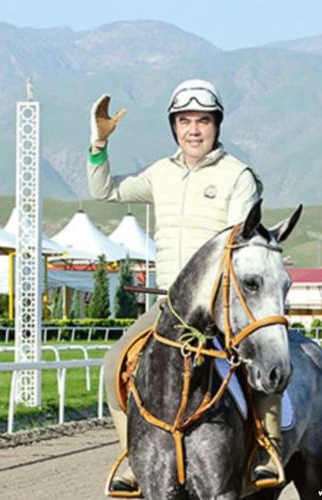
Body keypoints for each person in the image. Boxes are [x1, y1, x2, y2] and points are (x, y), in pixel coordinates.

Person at [87, 79, 284, 492]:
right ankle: (132, 456)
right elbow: (104, 190)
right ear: (174, 127)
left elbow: (240, 242)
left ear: (217, 125)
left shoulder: (238, 176)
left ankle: (268, 446)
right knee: (114, 363)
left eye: (203, 121)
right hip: (167, 307)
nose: (194, 130)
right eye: (185, 121)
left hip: (219, 306)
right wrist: (99, 145)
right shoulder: (160, 172)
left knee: (257, 358)